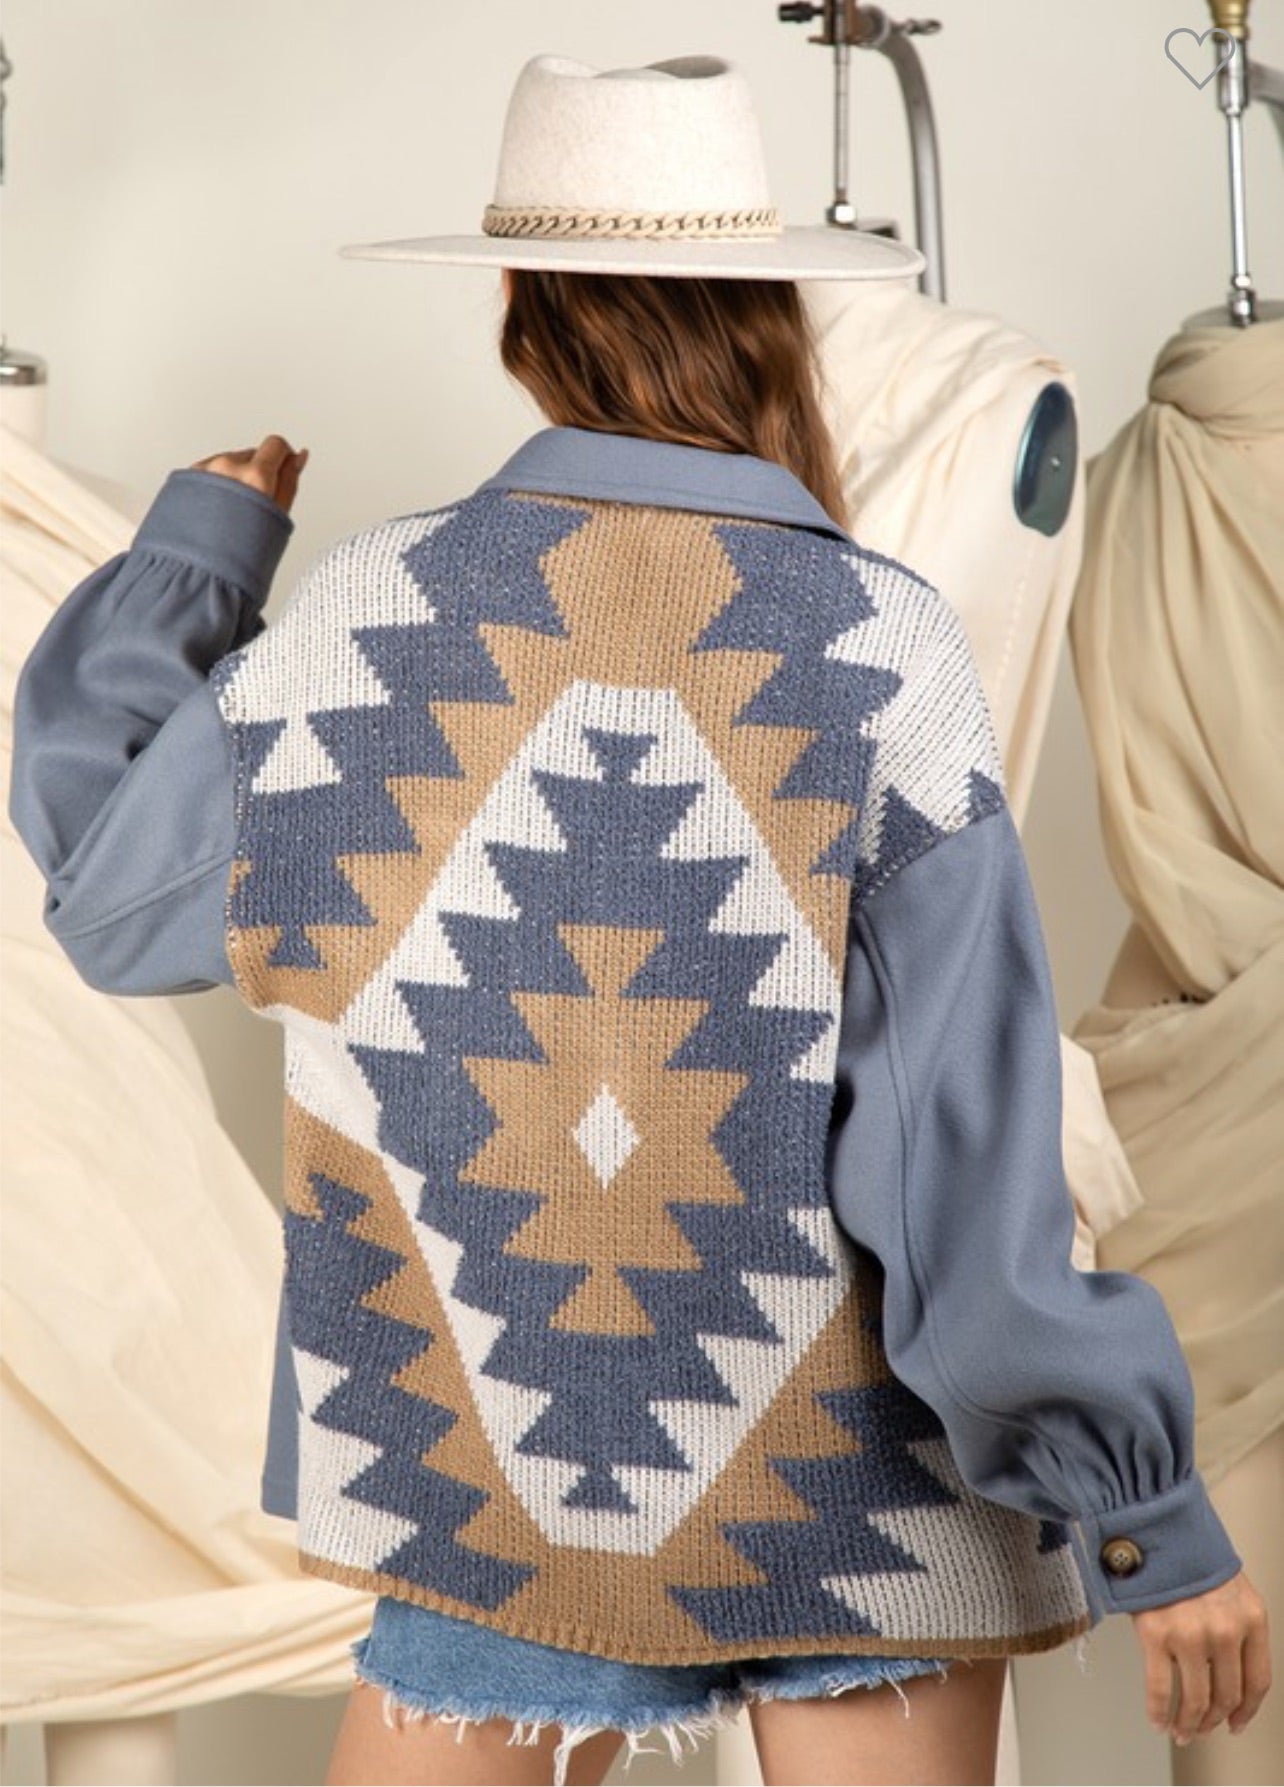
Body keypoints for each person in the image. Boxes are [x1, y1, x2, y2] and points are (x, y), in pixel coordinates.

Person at [8, 51, 1270, 1787]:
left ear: (518, 311)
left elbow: (110, 897)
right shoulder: (875, 647)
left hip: (483, 1469)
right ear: (767, 313)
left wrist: (203, 554)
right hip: (855, 1484)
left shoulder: (366, 627)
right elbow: (955, 1159)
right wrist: (1141, 1510)